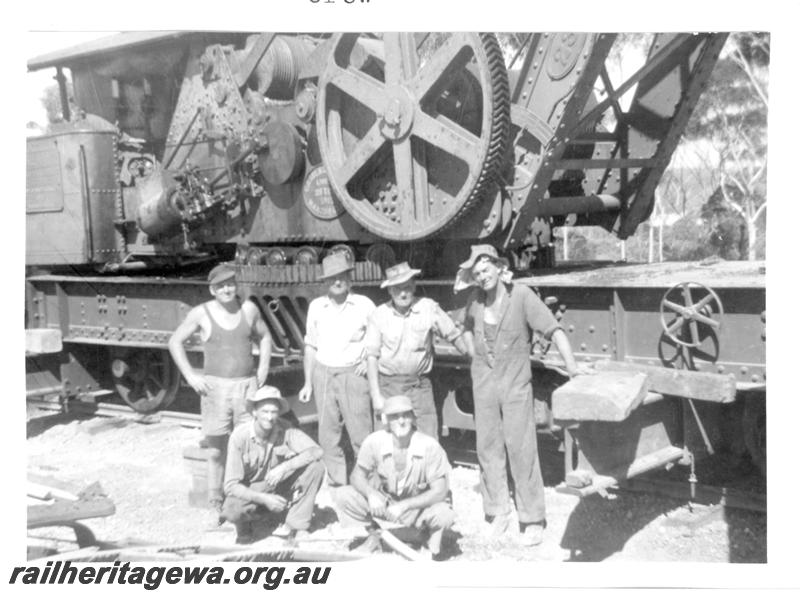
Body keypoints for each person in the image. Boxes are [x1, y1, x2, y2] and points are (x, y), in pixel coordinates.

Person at [459, 244, 585, 547]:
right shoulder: (474, 300)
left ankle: (532, 519)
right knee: (488, 448)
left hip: (515, 384)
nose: (482, 277)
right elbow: (463, 327)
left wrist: (573, 368)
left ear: (500, 269)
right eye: (477, 273)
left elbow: (553, 330)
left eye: (486, 270)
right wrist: (472, 353)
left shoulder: (522, 296)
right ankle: (497, 512)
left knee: (522, 449)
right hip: (484, 384)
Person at [168, 263, 272, 520]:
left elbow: (266, 337)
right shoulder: (200, 313)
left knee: (248, 446)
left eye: (230, 284)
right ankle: (216, 502)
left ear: (236, 285)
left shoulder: (248, 309)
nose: (227, 289)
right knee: (216, 450)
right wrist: (191, 376)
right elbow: (175, 341)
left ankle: (245, 501)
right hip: (215, 390)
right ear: (212, 289)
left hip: (246, 388)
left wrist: (262, 372)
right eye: (220, 286)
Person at [334, 395, 455, 559]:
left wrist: (405, 505)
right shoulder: (374, 441)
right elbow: (356, 476)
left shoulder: (429, 445)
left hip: (418, 513)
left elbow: (440, 491)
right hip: (388, 508)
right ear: (385, 420)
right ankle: (375, 535)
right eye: (394, 417)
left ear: (412, 418)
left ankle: (428, 546)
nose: (402, 421)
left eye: (406, 415)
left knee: (444, 513)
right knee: (343, 495)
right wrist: (371, 494)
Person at [297, 252, 376, 487]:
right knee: (328, 436)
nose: (337, 281)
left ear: (349, 278)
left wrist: (367, 361)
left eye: (342, 276)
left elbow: (377, 338)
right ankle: (338, 487)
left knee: (362, 435)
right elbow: (310, 346)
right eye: (332, 277)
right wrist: (308, 383)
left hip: (353, 375)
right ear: (325, 281)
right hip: (324, 375)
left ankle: (369, 488)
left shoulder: (364, 305)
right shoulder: (316, 307)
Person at [365, 262, 468, 438]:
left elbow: (454, 335)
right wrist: (376, 395)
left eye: (407, 287)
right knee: (387, 439)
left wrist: (473, 356)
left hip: (419, 387)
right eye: (397, 289)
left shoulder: (428, 308)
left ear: (414, 286)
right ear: (389, 290)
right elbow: (371, 357)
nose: (403, 293)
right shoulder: (379, 315)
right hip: (389, 387)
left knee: (427, 437)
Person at [221, 385, 325, 544]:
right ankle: (245, 528)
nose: (269, 417)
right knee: (232, 510)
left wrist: (285, 467)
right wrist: (264, 499)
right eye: (264, 411)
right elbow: (230, 485)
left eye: (274, 412)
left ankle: (295, 525)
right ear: (254, 412)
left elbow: (316, 451)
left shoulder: (285, 428)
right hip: (253, 489)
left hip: (277, 483)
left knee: (316, 467)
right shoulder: (240, 437)